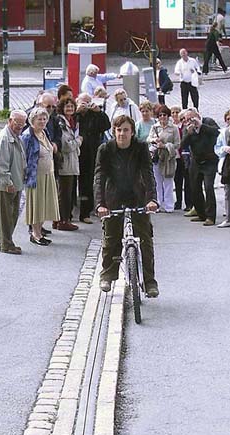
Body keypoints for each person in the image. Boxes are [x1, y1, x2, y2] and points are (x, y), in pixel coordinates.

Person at [94, 115, 159, 296]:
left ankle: (149, 282)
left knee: (145, 239)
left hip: (137, 196)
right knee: (111, 238)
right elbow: (99, 177)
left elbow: (148, 173)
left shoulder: (140, 148)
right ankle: (107, 275)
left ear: (132, 132)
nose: (122, 133)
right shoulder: (105, 149)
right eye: (119, 130)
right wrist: (100, 204)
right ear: (114, 131)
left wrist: (151, 200)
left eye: (126, 130)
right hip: (113, 197)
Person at [22, 107, 60, 246]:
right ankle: (35, 234)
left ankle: (39, 231)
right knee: (36, 207)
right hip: (35, 176)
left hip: (48, 174)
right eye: (39, 119)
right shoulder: (27, 136)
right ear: (32, 120)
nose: (43, 121)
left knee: (45, 205)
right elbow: (23, 157)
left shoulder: (44, 133)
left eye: (44, 119)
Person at [0, 110, 28, 254]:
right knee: (7, 216)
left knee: (12, 214)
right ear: (9, 120)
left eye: (22, 125)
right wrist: (8, 182)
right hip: (7, 184)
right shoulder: (5, 138)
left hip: (15, 181)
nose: (19, 127)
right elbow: (1, 164)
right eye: (17, 124)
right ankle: (6, 244)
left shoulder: (15, 136)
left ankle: (5, 242)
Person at [180, 108, 221, 226]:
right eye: (186, 120)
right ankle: (201, 213)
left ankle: (210, 216)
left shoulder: (208, 122)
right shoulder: (187, 129)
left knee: (208, 187)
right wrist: (188, 133)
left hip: (210, 160)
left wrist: (201, 126)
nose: (189, 121)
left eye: (191, 119)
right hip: (196, 161)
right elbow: (183, 145)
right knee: (194, 187)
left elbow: (217, 132)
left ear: (197, 116)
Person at [75, 93, 111, 224]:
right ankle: (69, 212)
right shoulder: (74, 114)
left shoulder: (95, 114)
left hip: (90, 153)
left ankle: (86, 212)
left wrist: (99, 112)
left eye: (88, 102)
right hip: (75, 153)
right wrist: (76, 111)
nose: (85, 105)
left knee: (88, 183)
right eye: (83, 102)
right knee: (71, 183)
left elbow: (107, 126)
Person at [147, 105, 180, 213]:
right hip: (157, 157)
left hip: (168, 158)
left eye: (164, 115)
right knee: (157, 181)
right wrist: (154, 140)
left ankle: (169, 205)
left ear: (168, 116)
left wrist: (165, 146)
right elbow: (148, 138)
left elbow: (177, 144)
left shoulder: (173, 128)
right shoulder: (155, 127)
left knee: (168, 181)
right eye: (160, 115)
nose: (162, 117)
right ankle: (158, 203)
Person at [56, 97, 83, 231]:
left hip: (71, 161)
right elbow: (66, 145)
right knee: (64, 194)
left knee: (67, 193)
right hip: (65, 162)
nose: (70, 109)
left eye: (72, 106)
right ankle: (63, 220)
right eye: (67, 107)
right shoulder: (61, 122)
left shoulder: (72, 122)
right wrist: (78, 141)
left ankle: (61, 219)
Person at [172, 106, 192, 211]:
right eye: (173, 112)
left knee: (187, 181)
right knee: (177, 180)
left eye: (177, 112)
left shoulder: (186, 127)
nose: (175, 114)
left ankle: (188, 203)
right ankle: (178, 201)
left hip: (186, 156)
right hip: (176, 156)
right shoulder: (172, 127)